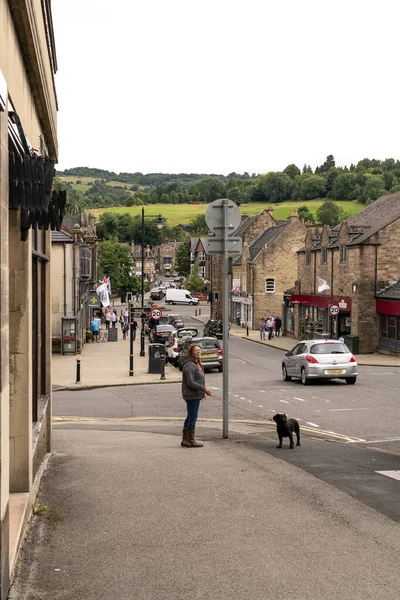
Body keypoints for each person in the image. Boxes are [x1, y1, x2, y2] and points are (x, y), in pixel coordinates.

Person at [181, 343, 212, 448]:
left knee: (190, 416)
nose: (199, 352)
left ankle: (185, 439)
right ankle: (191, 440)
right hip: (192, 395)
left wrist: (203, 391)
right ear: (191, 353)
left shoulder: (196, 363)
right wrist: (204, 389)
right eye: (196, 351)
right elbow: (190, 382)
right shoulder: (190, 365)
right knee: (193, 417)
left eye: (200, 350)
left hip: (195, 394)